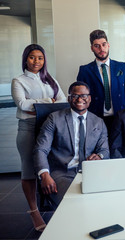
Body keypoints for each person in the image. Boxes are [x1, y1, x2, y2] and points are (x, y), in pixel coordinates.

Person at [11, 44, 66, 231]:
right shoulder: (18, 81)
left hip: (50, 128)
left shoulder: (50, 79)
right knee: (29, 171)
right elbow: (22, 104)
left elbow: (63, 101)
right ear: (26, 59)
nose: (36, 61)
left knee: (51, 168)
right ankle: (34, 212)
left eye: (40, 58)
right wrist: (46, 103)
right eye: (32, 57)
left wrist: (39, 106)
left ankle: (52, 206)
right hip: (28, 128)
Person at [34, 82, 109, 207]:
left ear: (89, 99)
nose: (80, 99)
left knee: (104, 201)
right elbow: (41, 149)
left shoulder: (98, 122)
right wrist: (44, 174)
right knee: (74, 204)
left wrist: (100, 156)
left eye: (84, 96)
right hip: (62, 173)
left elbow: (105, 150)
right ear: (69, 99)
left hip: (91, 172)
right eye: (75, 96)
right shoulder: (54, 119)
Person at [77, 29, 125, 131]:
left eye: (103, 44)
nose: (101, 49)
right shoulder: (84, 70)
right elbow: (81, 98)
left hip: (121, 117)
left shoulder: (122, 67)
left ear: (108, 45)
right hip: (95, 119)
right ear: (92, 48)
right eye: (97, 46)